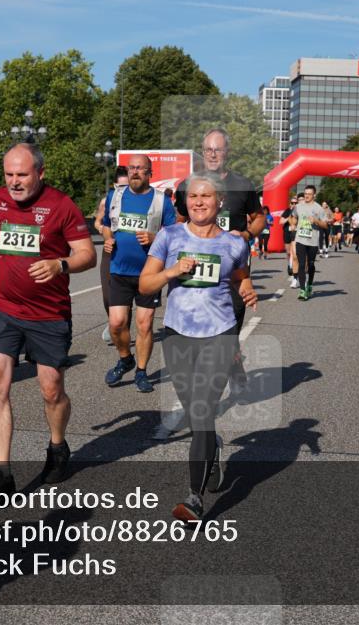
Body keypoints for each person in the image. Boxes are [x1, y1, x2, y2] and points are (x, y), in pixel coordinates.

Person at [0, 143, 95, 492]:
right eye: (9, 174)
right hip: (4, 308)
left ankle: (57, 445)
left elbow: (87, 255)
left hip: (49, 314)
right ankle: (1, 472)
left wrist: (59, 264)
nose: (14, 182)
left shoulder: (61, 206)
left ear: (40, 173)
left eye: (22, 174)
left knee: (51, 391)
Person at [140, 173, 257, 521]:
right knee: (196, 414)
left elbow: (240, 275)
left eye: (206, 196)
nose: (199, 202)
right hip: (177, 333)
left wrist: (248, 289)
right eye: (193, 196)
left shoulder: (235, 243)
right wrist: (172, 271)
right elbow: (146, 284)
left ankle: (194, 498)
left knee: (204, 410)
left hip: (219, 333)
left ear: (219, 201)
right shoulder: (169, 235)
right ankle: (212, 449)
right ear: (185, 201)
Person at [173, 129, 265, 410]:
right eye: (208, 150)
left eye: (218, 150)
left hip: (233, 274)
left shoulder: (242, 184)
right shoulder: (188, 184)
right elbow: (178, 219)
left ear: (227, 153)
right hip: (196, 271)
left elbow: (259, 218)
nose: (213, 155)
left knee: (226, 334)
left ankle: (221, 381)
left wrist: (247, 235)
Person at [100, 154, 177, 393]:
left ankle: (141, 372)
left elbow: (173, 234)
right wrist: (108, 238)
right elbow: (104, 225)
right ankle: (125, 359)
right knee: (116, 323)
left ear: (149, 173)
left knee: (144, 326)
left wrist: (155, 238)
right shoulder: (115, 196)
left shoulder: (161, 201)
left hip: (149, 272)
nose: (135, 172)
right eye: (131, 168)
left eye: (140, 169)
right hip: (119, 268)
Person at [93, 166, 130, 344]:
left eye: (127, 186)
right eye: (120, 187)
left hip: (130, 252)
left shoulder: (137, 202)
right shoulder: (106, 201)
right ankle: (112, 320)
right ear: (115, 185)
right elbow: (98, 221)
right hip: (110, 251)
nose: (123, 190)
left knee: (125, 293)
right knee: (108, 295)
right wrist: (101, 228)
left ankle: (122, 326)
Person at [293, 185, 331, 301]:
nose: (307, 195)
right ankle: (303, 289)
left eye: (309, 194)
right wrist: (293, 224)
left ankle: (309, 284)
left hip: (313, 241)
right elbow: (293, 217)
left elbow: (325, 225)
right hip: (300, 239)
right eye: (305, 193)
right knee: (301, 264)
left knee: (310, 264)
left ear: (314, 195)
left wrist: (315, 220)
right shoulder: (298, 206)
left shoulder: (318, 208)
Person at [283, 196, 299, 288]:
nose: (294, 204)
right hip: (287, 233)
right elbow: (281, 222)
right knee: (289, 253)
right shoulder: (287, 211)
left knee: (296, 255)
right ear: (290, 204)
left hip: (297, 234)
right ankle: (290, 265)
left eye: (295, 203)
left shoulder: (300, 211)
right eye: (292, 203)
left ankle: (295, 274)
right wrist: (288, 217)